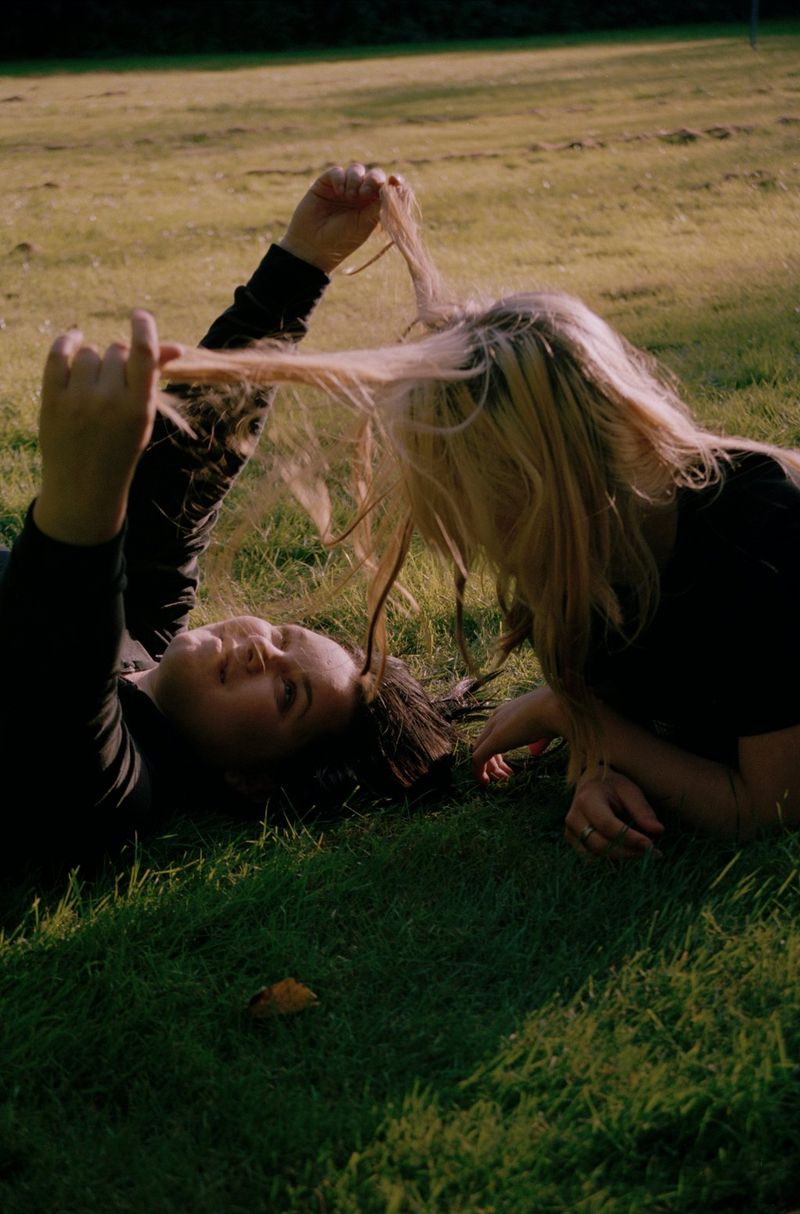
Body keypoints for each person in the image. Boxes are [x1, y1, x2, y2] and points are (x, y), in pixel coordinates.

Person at [162, 177, 800, 860]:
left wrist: (573, 721)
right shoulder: (581, 556)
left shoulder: (767, 530)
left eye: (475, 506)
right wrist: (601, 771)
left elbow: (765, 808)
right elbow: (630, 720)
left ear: (548, 485)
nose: (471, 541)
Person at [0, 165, 463, 872]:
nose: (259, 650)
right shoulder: (149, 634)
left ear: (254, 779)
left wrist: (82, 505)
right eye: (284, 638)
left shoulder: (122, 793)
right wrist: (302, 264)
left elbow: (57, 686)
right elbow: (188, 476)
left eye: (286, 692)